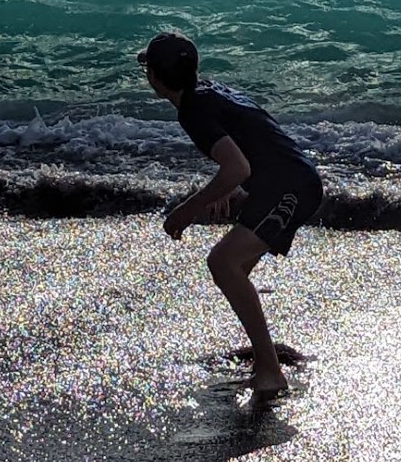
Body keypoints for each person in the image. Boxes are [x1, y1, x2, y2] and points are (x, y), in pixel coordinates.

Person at [137, 31, 323, 400]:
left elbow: (236, 165)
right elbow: (256, 139)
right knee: (234, 269)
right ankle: (262, 359)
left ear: (154, 77)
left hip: (290, 188)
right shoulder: (210, 92)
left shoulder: (193, 110)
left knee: (223, 264)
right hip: (286, 180)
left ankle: (270, 372)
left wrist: (187, 210)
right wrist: (234, 187)